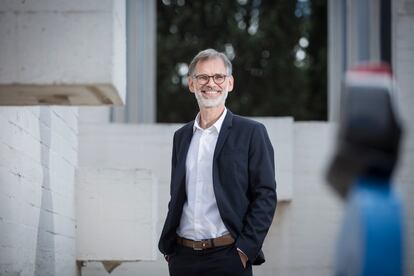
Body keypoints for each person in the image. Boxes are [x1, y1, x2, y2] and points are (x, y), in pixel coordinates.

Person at [158, 48, 277, 276]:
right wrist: (170, 250)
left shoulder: (252, 133)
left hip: (228, 258)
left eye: (218, 77)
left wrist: (244, 250)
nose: (210, 83)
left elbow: (266, 196)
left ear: (230, 83)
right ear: (191, 84)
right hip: (182, 258)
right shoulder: (181, 137)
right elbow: (178, 196)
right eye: (202, 77)